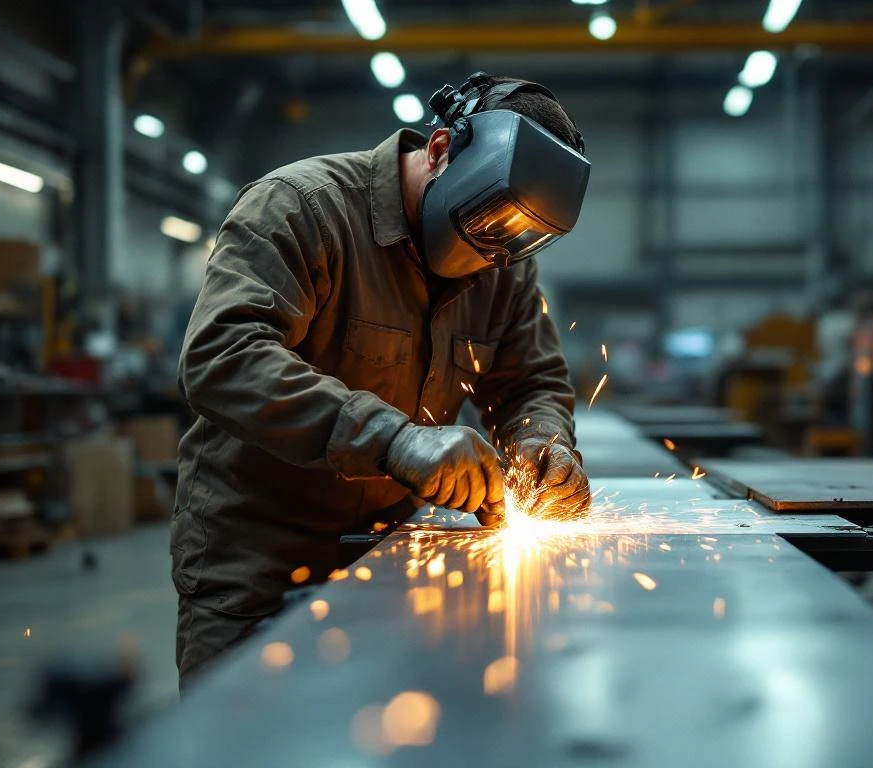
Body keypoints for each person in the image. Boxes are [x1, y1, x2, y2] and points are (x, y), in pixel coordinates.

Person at [172, 72, 592, 687]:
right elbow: (223, 355)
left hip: (390, 562)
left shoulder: (505, 264)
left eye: (518, 242)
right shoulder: (301, 207)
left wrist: (543, 446)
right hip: (257, 568)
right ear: (442, 150)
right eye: (485, 223)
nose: (492, 255)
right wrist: (392, 439)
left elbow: (531, 381)